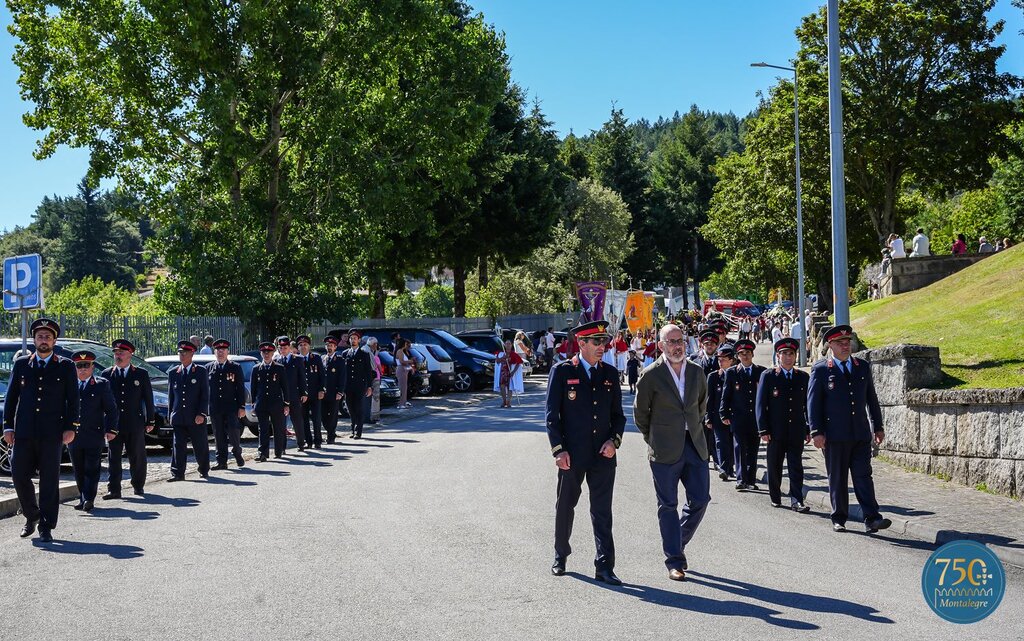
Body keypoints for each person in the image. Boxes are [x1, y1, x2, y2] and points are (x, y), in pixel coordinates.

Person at [545, 320, 625, 585]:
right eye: (596, 342)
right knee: (565, 506)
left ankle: (605, 566)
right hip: (573, 454)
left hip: (603, 455)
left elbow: (618, 417)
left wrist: (614, 442)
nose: (602, 347)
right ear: (581, 343)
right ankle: (560, 555)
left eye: (604, 342)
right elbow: (552, 417)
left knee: (602, 511)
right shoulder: (563, 371)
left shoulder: (611, 374)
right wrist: (558, 450)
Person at [633, 323, 709, 582]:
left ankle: (677, 539)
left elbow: (701, 406)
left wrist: (692, 430)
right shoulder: (651, 375)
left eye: (681, 340)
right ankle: (674, 561)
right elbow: (641, 415)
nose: (678, 346)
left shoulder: (697, 372)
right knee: (668, 505)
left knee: (700, 499)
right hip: (664, 449)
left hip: (694, 445)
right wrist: (655, 438)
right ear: (661, 345)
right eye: (672, 341)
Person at [808, 325, 891, 533]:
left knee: (864, 475)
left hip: (860, 433)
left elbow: (871, 398)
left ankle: (872, 517)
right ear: (830, 346)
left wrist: (878, 426)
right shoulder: (821, 370)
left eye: (847, 342)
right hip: (834, 436)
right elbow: (813, 404)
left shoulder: (861, 366)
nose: (845, 346)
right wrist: (816, 431)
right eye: (840, 343)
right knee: (837, 478)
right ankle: (839, 517)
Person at [3, 318, 78, 542]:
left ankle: (46, 525)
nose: (43, 340)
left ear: (54, 340)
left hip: (51, 433)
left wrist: (71, 427)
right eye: (39, 337)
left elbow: (73, 400)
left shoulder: (65, 366)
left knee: (49, 480)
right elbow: (11, 398)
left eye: (47, 337)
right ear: (34, 339)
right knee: (18, 474)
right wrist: (8, 426)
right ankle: (31, 515)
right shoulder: (22, 364)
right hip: (24, 432)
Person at [756, 338, 810, 512]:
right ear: (778, 356)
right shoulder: (769, 376)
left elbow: (807, 406)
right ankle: (776, 496)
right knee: (774, 465)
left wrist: (809, 428)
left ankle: (797, 499)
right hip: (775, 430)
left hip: (796, 430)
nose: (788, 357)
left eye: (791, 354)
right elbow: (760, 404)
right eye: (784, 354)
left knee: (796, 466)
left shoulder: (803, 377)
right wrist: (763, 428)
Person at [101, 339, 155, 499]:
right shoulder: (106, 374)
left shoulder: (140, 374)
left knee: (137, 456)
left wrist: (150, 420)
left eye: (121, 353)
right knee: (114, 457)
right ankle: (114, 489)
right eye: (116, 353)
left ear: (130, 354)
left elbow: (148, 399)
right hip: (114, 423)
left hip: (134, 422)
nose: (118, 356)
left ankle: (138, 485)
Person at [70, 350, 117, 512]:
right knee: (78, 468)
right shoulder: (68, 385)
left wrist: (111, 429)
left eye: (86, 366)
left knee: (92, 467)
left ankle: (89, 498)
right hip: (73, 435)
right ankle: (82, 496)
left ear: (92, 367)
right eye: (79, 366)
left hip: (94, 433)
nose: (83, 369)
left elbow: (111, 409)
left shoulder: (101, 384)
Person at [720, 339, 765, 492]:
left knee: (753, 448)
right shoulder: (732, 372)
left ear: (752, 354)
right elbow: (726, 395)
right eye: (741, 354)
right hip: (738, 417)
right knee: (739, 448)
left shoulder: (761, 372)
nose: (745, 356)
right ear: (737, 356)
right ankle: (741, 479)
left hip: (756, 418)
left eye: (747, 353)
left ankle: (751, 479)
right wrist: (723, 413)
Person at [167, 340, 210, 481]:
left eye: (185, 353)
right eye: (180, 353)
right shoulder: (174, 372)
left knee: (200, 445)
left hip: (195, 416)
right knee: (178, 446)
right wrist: (170, 415)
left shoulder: (200, 371)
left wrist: (202, 413)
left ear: (192, 353)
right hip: (179, 416)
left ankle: (203, 469)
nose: (182, 355)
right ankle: (177, 473)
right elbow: (171, 396)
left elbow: (205, 395)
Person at [206, 338, 246, 469]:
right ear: (214, 351)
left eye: (223, 350)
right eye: (218, 350)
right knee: (218, 435)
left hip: (231, 407)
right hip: (215, 407)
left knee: (234, 432)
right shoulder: (209, 368)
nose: (220, 352)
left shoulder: (235, 367)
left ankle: (237, 452)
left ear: (227, 352)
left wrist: (241, 406)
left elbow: (240, 388)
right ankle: (221, 461)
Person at [251, 341, 289, 460]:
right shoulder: (256, 368)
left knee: (278, 428)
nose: (266, 354)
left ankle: (278, 451)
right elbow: (253, 388)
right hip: (262, 404)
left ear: (273, 353)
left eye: (269, 352)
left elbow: (285, 387)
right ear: (261, 354)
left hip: (276, 403)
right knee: (263, 429)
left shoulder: (279, 368)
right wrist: (253, 403)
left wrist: (286, 403)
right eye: (264, 352)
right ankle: (262, 453)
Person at [705, 343, 736, 482]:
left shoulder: (737, 375)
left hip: (735, 416)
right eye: (719, 359)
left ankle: (731, 467)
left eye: (724, 359)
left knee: (733, 443)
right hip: (718, 416)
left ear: (732, 360)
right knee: (721, 442)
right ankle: (724, 468)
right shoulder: (713, 377)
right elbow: (709, 399)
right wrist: (708, 418)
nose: (720, 361)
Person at [275, 336, 308, 451]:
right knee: (281, 423)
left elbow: (302, 377)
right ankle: (282, 447)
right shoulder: (277, 361)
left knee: (297, 420)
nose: (283, 350)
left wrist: (304, 392)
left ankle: (301, 443)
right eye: (281, 348)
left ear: (289, 348)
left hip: (294, 394)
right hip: (281, 396)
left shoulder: (297, 359)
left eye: (285, 347)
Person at [341, 329, 374, 439]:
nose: (353, 340)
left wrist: (369, 386)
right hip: (348, 386)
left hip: (360, 386)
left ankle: (358, 431)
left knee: (359, 408)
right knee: (350, 408)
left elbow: (368, 371)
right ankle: (353, 428)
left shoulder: (364, 354)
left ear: (359, 340)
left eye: (355, 338)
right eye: (351, 338)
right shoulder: (345, 354)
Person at [297, 335, 325, 449]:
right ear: (298, 347)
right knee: (304, 420)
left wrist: (321, 389)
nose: (303, 347)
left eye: (305, 345)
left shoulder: (316, 358)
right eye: (301, 345)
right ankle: (308, 441)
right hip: (301, 395)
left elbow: (322, 375)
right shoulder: (295, 359)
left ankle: (318, 440)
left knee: (316, 418)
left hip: (315, 393)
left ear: (309, 346)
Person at [321, 336, 345, 442]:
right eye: (327, 345)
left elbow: (343, 377)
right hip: (323, 392)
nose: (329, 347)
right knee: (323, 415)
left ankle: (331, 435)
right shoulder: (322, 359)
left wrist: (340, 391)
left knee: (333, 415)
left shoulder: (339, 360)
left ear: (335, 347)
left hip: (334, 392)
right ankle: (330, 431)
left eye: (331, 346)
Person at [494, 339, 524, 408]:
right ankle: (504, 401)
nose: (508, 345)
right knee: (502, 386)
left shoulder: (514, 354)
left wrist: (513, 372)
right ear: (504, 345)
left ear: (511, 345)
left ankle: (508, 401)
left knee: (510, 387)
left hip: (510, 372)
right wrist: (503, 357)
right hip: (503, 372)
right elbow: (497, 361)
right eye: (506, 344)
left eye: (509, 344)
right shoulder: (501, 353)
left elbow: (519, 363)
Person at [366, 337, 383, 423]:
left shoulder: (371, 354)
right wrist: (381, 373)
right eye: (374, 344)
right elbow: (379, 368)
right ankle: (374, 416)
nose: (376, 345)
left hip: (374, 377)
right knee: (375, 397)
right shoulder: (374, 356)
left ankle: (374, 415)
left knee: (375, 398)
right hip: (375, 377)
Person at [394, 338, 414, 409]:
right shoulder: (399, 351)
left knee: (405, 387)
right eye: (405, 344)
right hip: (401, 369)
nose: (406, 345)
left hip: (404, 370)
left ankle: (404, 402)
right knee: (402, 387)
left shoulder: (402, 351)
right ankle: (400, 404)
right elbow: (402, 361)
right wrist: (410, 361)